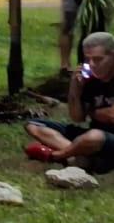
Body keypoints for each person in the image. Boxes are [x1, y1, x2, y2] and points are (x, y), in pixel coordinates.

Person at [27, 31, 114, 171]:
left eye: (98, 59)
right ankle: (81, 157)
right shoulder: (91, 81)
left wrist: (92, 112)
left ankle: (58, 155)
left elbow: (111, 115)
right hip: (94, 134)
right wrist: (75, 90)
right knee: (34, 125)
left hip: (102, 137)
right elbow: (77, 117)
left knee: (93, 137)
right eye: (88, 59)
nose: (92, 64)